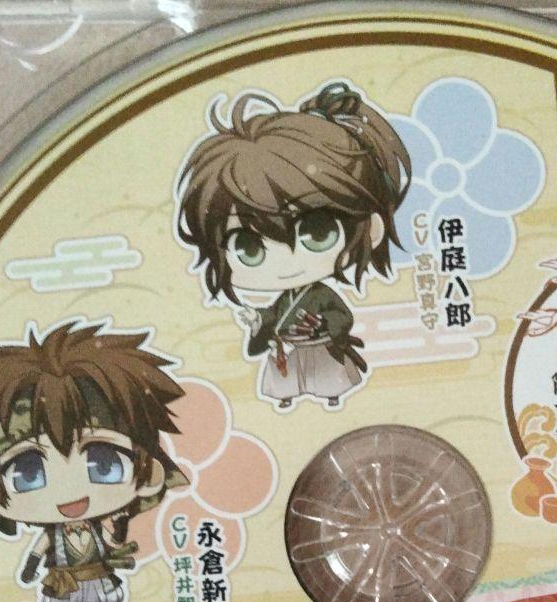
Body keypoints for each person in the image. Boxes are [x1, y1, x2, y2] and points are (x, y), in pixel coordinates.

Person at [0, 320, 188, 602]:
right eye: (29, 473)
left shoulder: (101, 525)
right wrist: (31, 568)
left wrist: (120, 542)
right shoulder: (55, 534)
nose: (69, 492)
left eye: (104, 464)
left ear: (150, 474)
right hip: (64, 580)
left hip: (97, 576)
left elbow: (112, 542)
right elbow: (40, 549)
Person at [175, 80, 411, 409]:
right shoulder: (286, 299)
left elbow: (341, 316)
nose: (285, 258)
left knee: (325, 375)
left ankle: (331, 395)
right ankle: (289, 399)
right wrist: (257, 319)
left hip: (319, 343)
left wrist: (325, 325)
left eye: (317, 232)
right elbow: (273, 316)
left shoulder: (320, 296)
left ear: (370, 228)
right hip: (291, 346)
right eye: (248, 248)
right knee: (289, 376)